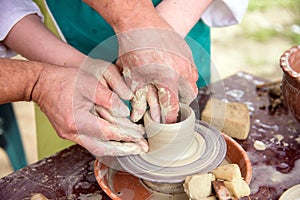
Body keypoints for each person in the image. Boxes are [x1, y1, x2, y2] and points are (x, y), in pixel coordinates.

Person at [0, 0, 248, 158]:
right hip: (60, 53)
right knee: (74, 168)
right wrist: (57, 71)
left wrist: (161, 32)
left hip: (180, 19)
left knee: (189, 107)